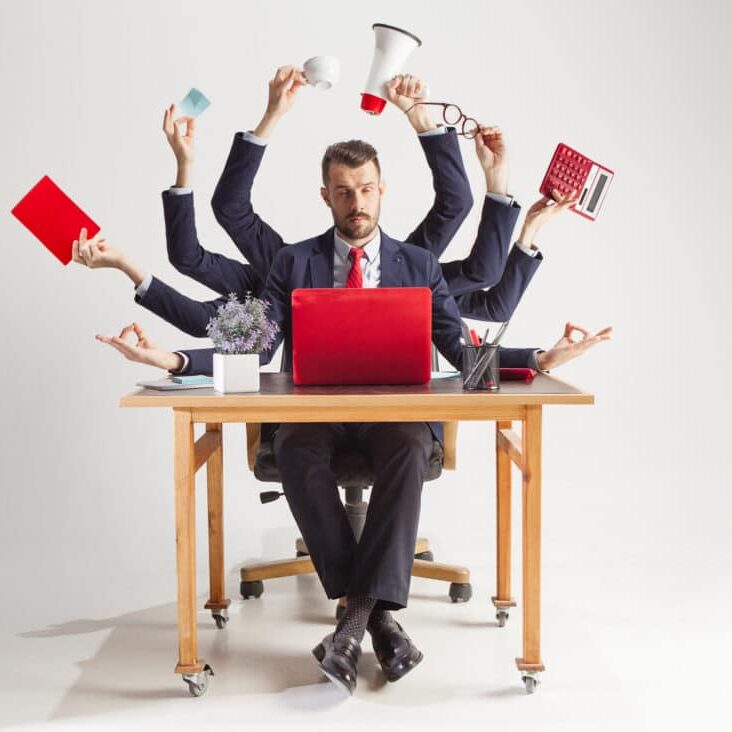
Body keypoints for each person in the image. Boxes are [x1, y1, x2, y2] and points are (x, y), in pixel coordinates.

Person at [95, 133, 612, 696]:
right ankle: (378, 621)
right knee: (293, 446)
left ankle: (353, 621)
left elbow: (460, 351)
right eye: (344, 192)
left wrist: (539, 358)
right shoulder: (294, 262)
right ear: (326, 197)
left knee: (411, 446)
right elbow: (256, 344)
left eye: (366, 189)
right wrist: (170, 359)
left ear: (382, 190)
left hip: (395, 417)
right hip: (315, 416)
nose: (357, 203)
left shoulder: (418, 265)